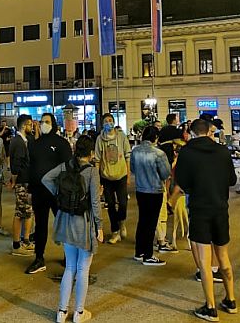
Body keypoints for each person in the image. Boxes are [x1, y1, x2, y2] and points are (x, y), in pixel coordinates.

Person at [175, 119, 238, 322]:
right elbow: (232, 180)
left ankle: (210, 307)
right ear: (209, 132)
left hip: (200, 210)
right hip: (220, 208)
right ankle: (231, 299)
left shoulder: (186, 152)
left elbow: (182, 182)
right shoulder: (222, 151)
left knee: (204, 262)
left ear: (192, 133)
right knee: (223, 256)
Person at [42, 135, 102, 323]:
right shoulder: (91, 171)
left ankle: (61, 312)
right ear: (91, 152)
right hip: (83, 222)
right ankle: (79, 313)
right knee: (83, 269)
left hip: (66, 219)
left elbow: (46, 178)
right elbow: (95, 202)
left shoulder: (66, 166)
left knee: (70, 267)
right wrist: (99, 226)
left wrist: (59, 194)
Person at [26, 113, 72, 274]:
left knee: (63, 224)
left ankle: (69, 257)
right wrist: (30, 188)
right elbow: (31, 167)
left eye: (47, 121)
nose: (44, 124)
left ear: (53, 123)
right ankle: (39, 258)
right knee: (40, 226)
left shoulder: (62, 143)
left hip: (57, 193)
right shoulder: (34, 144)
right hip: (39, 192)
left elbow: (68, 167)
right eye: (42, 121)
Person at [131, 126, 171, 266]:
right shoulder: (159, 154)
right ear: (155, 138)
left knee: (142, 221)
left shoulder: (135, 151)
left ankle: (139, 252)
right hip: (155, 191)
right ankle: (148, 255)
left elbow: (133, 169)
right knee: (151, 222)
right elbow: (166, 173)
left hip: (140, 190)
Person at [94, 113, 131, 244]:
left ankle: (122, 222)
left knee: (123, 203)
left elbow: (127, 155)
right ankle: (115, 231)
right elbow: (97, 159)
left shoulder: (121, 136)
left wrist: (128, 174)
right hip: (106, 177)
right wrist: (97, 179)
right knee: (110, 205)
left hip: (121, 175)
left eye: (110, 120)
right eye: (106, 121)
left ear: (114, 122)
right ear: (102, 124)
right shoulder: (100, 139)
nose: (108, 123)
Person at [8, 114, 35, 256]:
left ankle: (25, 240)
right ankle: (17, 244)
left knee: (27, 212)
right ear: (24, 126)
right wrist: (13, 180)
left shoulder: (24, 140)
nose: (32, 127)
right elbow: (16, 165)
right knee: (20, 212)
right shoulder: (18, 142)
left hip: (26, 180)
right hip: (22, 181)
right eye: (30, 124)